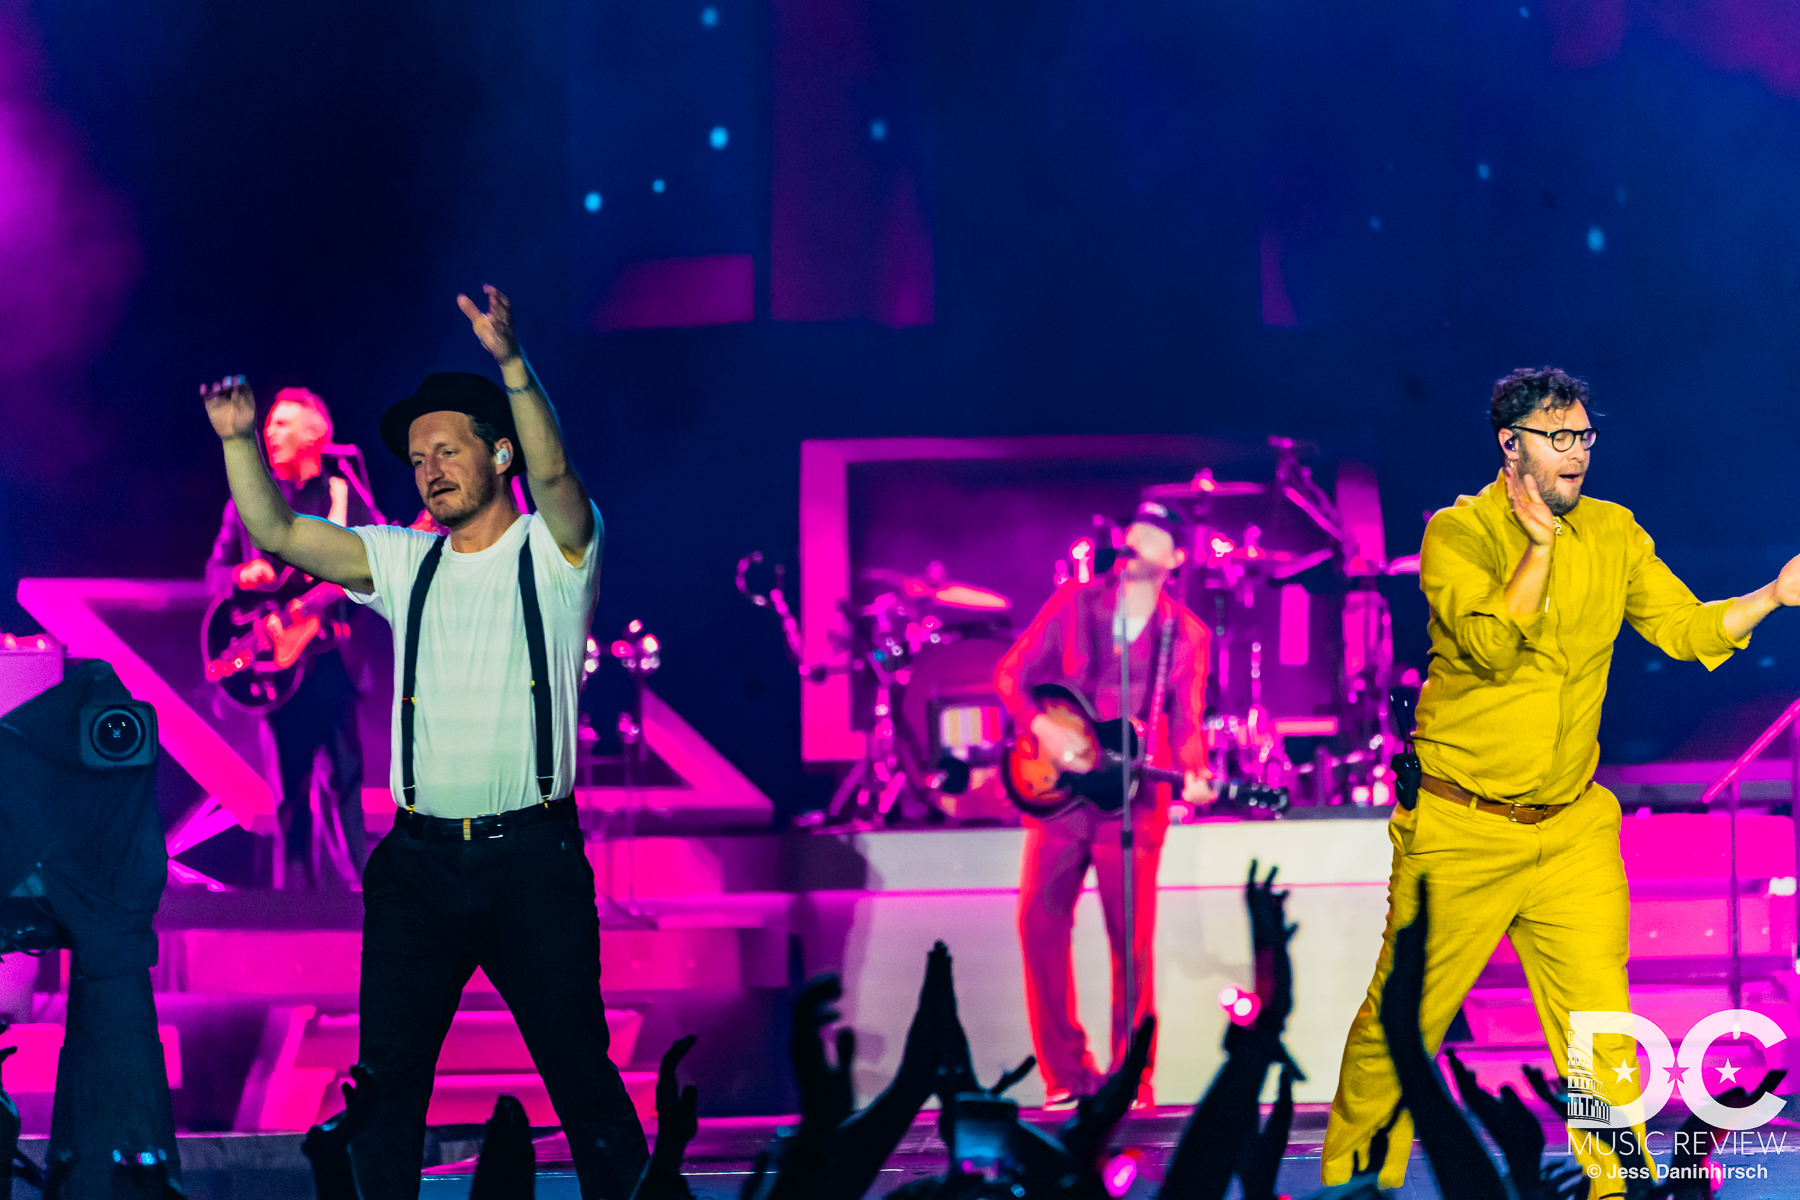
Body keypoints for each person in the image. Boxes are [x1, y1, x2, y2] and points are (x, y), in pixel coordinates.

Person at [201, 286, 647, 1197]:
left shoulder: (556, 553)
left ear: (500, 452)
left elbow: (562, 481)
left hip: (532, 859)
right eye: (417, 457)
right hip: (417, 866)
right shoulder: (406, 560)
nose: (430, 468)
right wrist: (239, 442)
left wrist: (513, 364)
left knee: (580, 1074)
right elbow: (278, 531)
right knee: (389, 1088)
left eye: (448, 450)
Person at [1321, 367, 1800, 1197]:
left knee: (1601, 1033)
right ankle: (1353, 1184)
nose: (1577, 452)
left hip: (1571, 828)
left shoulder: (1614, 533)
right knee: (1398, 1028)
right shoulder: (1457, 534)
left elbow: (1685, 629)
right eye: (1558, 437)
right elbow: (1490, 647)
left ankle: (1620, 1185)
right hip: (1460, 826)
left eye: (1584, 436)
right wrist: (1538, 549)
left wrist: (1772, 595)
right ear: (1511, 445)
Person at [993, 500, 1213, 1110]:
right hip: (1061, 800)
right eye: (1134, 530)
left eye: (1154, 535)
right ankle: (1066, 1075)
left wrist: (1194, 772)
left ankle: (1129, 1083)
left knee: (1132, 946)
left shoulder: (1186, 634)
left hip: (1135, 802)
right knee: (1038, 924)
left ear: (1175, 557)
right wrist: (1042, 726)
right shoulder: (1072, 603)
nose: (1136, 540)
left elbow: (1186, 722)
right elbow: (1011, 674)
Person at [206, 387, 382, 888]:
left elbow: (377, 565)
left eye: (283, 424)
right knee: (289, 791)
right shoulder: (248, 500)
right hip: (274, 666)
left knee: (347, 782)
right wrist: (243, 576)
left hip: (333, 658)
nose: (270, 433)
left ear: (315, 434)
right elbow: (213, 574)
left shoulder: (345, 496)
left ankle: (364, 902)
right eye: (270, 425)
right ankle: (296, 906)